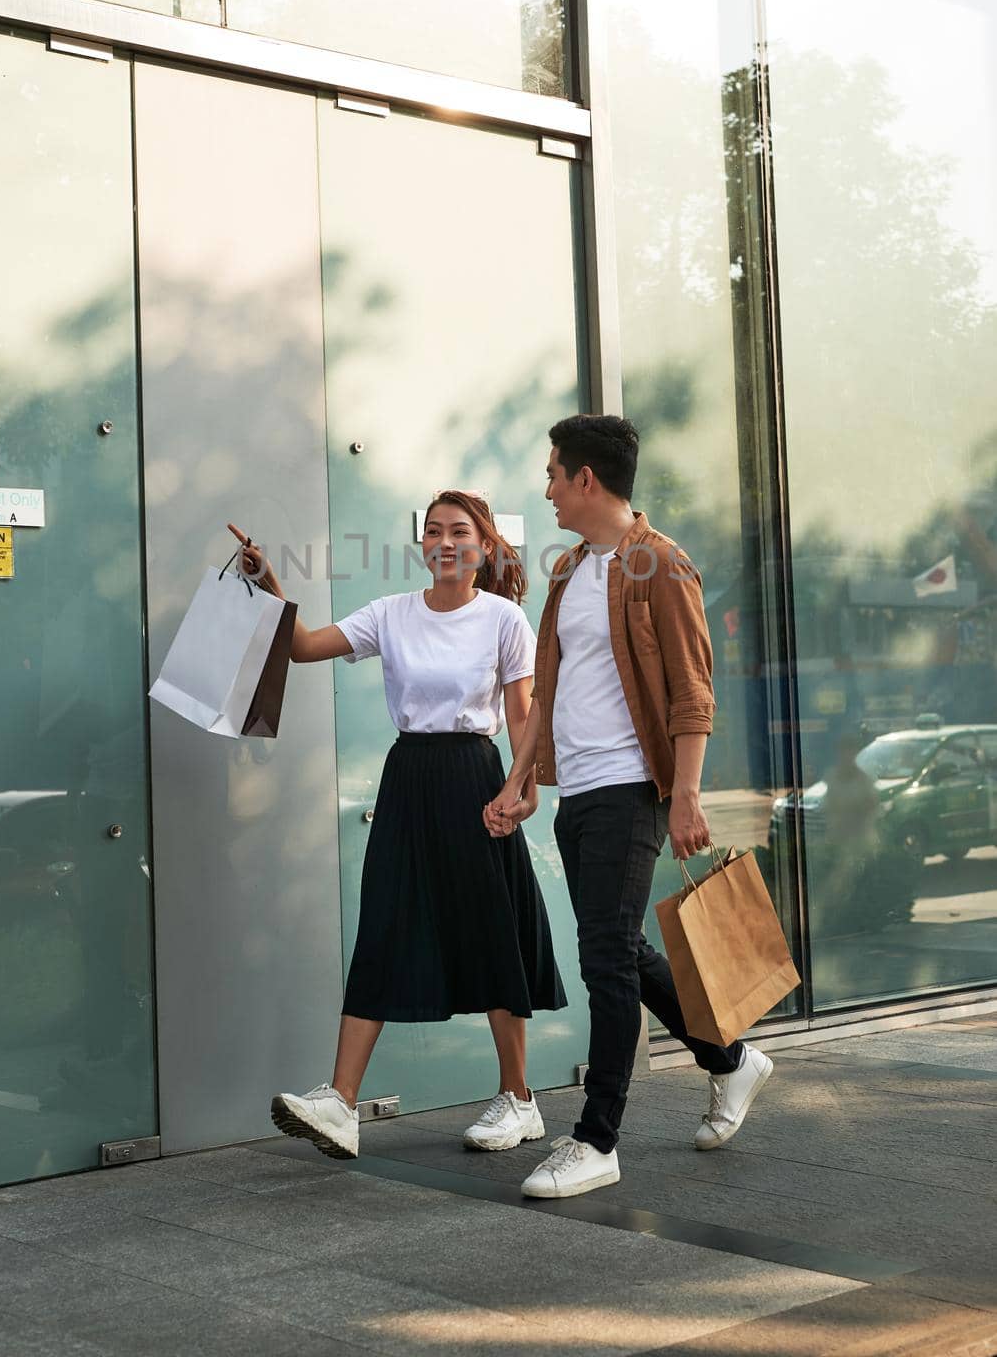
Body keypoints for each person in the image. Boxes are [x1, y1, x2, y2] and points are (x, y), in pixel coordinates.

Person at [227, 493, 565, 1160]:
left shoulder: (504, 619)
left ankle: (520, 1098)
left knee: (492, 929)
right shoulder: (392, 614)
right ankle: (341, 1104)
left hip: (476, 777)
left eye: (459, 531)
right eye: (432, 531)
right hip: (408, 776)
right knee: (384, 921)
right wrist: (268, 582)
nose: (444, 541)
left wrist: (519, 789)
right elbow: (300, 648)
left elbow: (524, 718)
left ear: (485, 546)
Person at [485, 415, 773, 1199]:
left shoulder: (660, 563)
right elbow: (548, 690)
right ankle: (732, 1058)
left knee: (604, 959)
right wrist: (522, 778)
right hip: (577, 791)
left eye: (553, 474)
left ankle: (597, 1138)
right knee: (623, 952)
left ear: (586, 479)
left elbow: (691, 691)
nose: (545, 488)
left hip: (629, 789)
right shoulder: (570, 569)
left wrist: (685, 795)